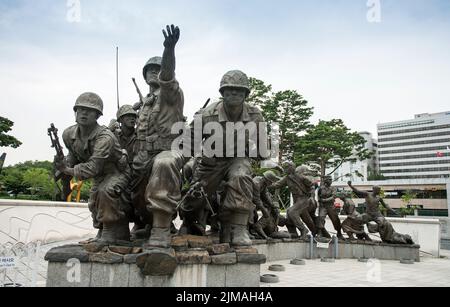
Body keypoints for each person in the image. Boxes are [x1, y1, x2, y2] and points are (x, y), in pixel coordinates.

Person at [190, 70, 266, 246]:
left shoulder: (255, 115)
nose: (234, 94)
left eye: (239, 91)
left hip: (238, 159)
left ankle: (239, 229)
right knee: (196, 194)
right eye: (229, 91)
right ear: (222, 93)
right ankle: (190, 222)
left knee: (241, 177)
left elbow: (262, 148)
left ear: (246, 94)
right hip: (212, 161)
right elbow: (188, 143)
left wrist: (252, 152)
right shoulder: (207, 114)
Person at [131, 24, 186, 248]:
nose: (154, 72)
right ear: (144, 77)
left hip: (166, 149)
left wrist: (169, 50)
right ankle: (138, 223)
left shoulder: (170, 92)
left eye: (158, 69)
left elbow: (167, 76)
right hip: (141, 153)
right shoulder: (143, 103)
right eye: (149, 70)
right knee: (124, 181)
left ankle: (161, 228)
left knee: (164, 166)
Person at [56, 92, 131, 244]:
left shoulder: (105, 137)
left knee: (106, 192)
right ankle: (102, 232)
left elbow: (92, 168)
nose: (84, 113)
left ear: (97, 115)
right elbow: (74, 155)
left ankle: (109, 233)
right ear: (75, 112)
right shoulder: (68, 134)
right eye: (80, 109)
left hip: (117, 172)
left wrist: (67, 170)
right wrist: (62, 166)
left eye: (89, 110)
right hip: (99, 174)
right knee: (93, 201)